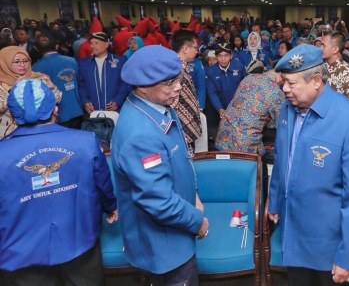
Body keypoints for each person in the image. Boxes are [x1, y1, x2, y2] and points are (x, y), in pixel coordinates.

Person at [267, 44, 349, 285]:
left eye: (291, 83)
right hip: (294, 232)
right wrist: (274, 199)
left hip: (330, 243)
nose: (284, 88)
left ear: (316, 80)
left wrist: (348, 256)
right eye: (283, 81)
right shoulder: (288, 108)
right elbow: (282, 156)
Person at [0, 78, 117, 285]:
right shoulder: (86, 141)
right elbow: (103, 186)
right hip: (79, 244)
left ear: (12, 115)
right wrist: (110, 207)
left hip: (19, 255)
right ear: (55, 109)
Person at [110, 46, 208, 285]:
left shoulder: (157, 106)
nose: (178, 87)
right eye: (169, 83)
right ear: (142, 86)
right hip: (165, 244)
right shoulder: (141, 135)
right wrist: (198, 222)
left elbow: (179, 159)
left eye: (179, 79)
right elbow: (158, 201)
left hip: (175, 225)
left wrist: (192, 194)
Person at [215, 61, 285, 155]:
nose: (284, 83)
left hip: (224, 134)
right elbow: (282, 125)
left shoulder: (249, 78)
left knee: (225, 168)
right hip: (244, 142)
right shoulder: (276, 92)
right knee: (255, 167)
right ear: (282, 74)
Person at [0, 46, 62, 139]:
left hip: (40, 131)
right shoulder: (1, 83)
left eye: (25, 61)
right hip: (10, 134)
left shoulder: (38, 77)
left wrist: (53, 88)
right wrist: (13, 91)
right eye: (16, 62)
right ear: (5, 63)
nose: (22, 65)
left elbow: (56, 101)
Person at [31, 35, 84, 129]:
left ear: (36, 48)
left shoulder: (36, 68)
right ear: (57, 46)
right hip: (77, 110)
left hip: (56, 114)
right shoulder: (72, 61)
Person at [77, 32, 129, 114]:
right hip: (94, 111)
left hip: (115, 110)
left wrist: (118, 100)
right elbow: (82, 85)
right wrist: (85, 101)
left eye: (96, 43)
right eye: (91, 43)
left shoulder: (120, 61)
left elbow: (125, 83)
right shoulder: (84, 63)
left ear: (106, 44)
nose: (92, 46)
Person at [171, 30, 202, 157]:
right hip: (181, 132)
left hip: (185, 131)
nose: (197, 51)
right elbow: (171, 103)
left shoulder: (181, 66)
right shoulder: (176, 69)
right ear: (185, 48)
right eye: (195, 47)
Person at [321, 32, 349, 105]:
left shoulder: (348, 73)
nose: (320, 48)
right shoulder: (321, 68)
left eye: (324, 45)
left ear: (335, 49)